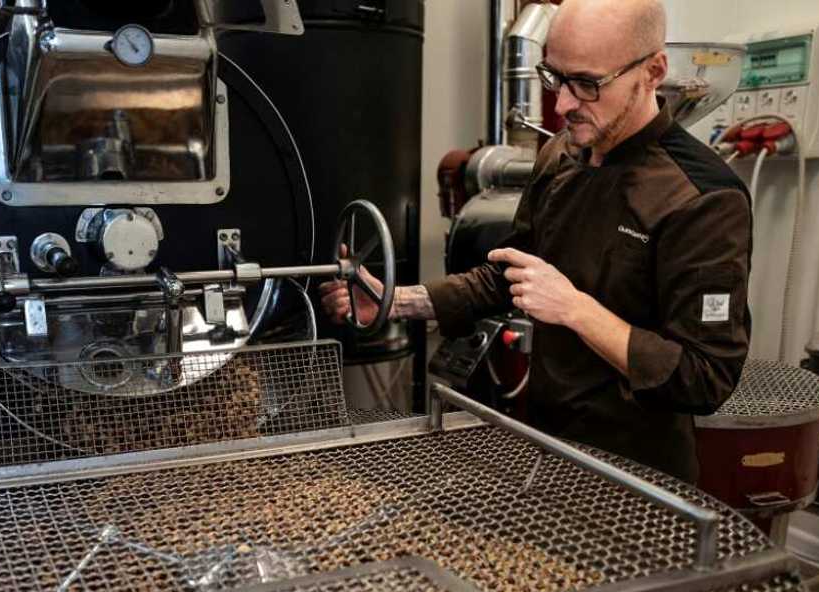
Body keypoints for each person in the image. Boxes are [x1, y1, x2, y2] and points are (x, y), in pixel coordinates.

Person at [319, 0, 752, 483]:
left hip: (640, 476)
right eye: (554, 77)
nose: (563, 104)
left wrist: (576, 309)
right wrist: (395, 302)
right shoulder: (561, 154)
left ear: (653, 72)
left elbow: (704, 378)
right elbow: (509, 275)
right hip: (548, 446)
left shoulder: (704, 199)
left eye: (587, 83)